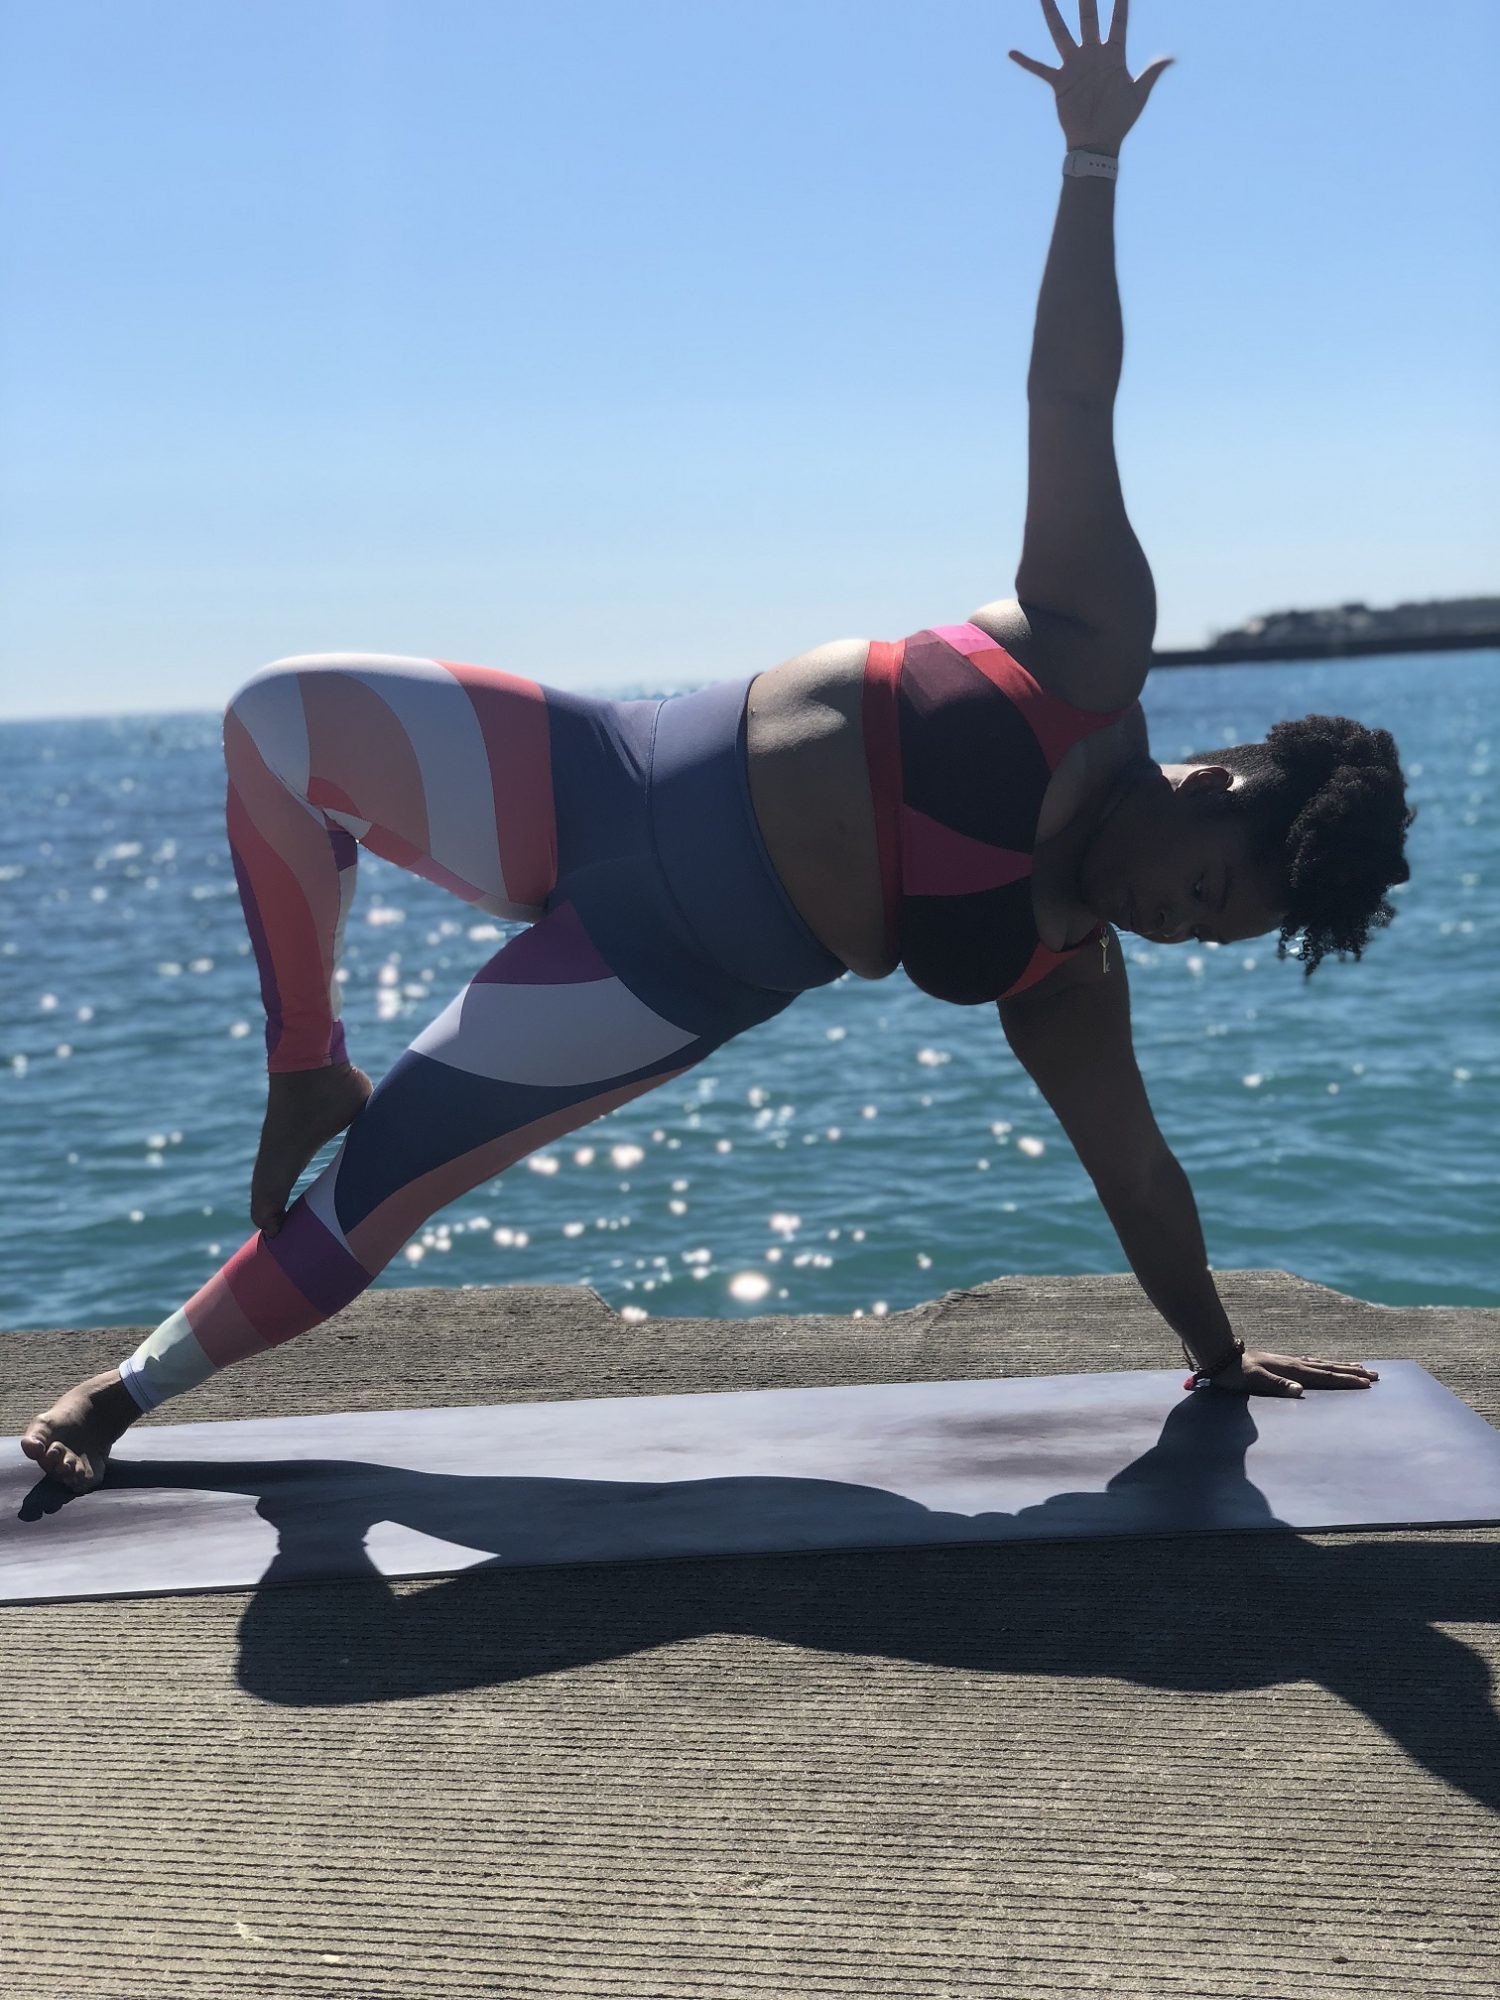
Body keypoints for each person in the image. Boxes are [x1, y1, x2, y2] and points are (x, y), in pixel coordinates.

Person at [23, 0, 1408, 1495]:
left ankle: (124, 1393)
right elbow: (1071, 396)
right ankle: (307, 1059)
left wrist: (1212, 1355)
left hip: (645, 978)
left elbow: (1136, 1172)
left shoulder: (1061, 972)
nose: (1178, 928)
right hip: (595, 773)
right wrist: (1089, 163)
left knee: (380, 1191)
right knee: (273, 718)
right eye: (1208, 894)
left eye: (1212, 941)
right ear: (1210, 788)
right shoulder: (1086, 650)